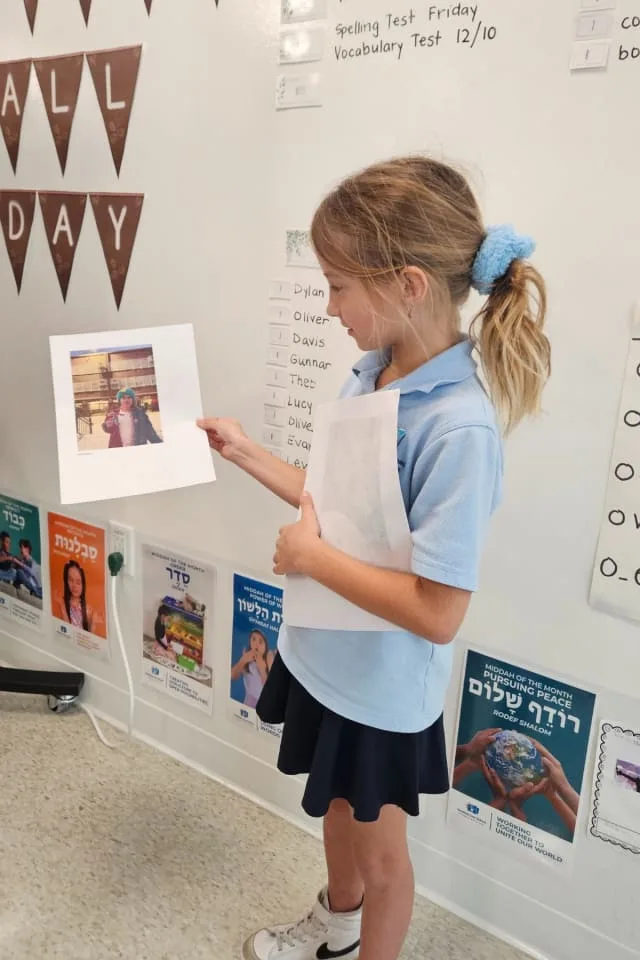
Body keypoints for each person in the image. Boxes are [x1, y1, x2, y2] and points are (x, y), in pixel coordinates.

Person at [198, 156, 550, 960]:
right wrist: (248, 452)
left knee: (383, 855)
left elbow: (437, 608)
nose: (330, 309)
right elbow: (336, 506)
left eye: (339, 286)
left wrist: (313, 562)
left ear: (408, 285)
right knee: (336, 807)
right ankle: (336, 925)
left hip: (383, 692)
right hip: (328, 660)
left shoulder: (458, 429)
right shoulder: (373, 375)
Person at [231, 629, 275, 709]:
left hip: (264, 705)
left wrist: (262, 669)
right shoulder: (247, 658)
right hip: (248, 703)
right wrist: (242, 661)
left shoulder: (269, 659)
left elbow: (271, 692)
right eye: (253, 639)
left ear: (266, 646)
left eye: (260, 642)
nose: (256, 644)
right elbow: (232, 676)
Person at [58, 560, 95, 634]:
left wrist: (94, 622)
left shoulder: (89, 609)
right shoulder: (61, 603)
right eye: (71, 580)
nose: (74, 585)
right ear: (66, 581)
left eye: (78, 582)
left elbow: (90, 638)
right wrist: (63, 607)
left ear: (83, 584)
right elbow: (66, 632)